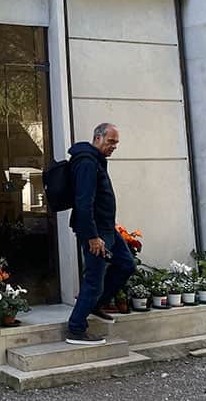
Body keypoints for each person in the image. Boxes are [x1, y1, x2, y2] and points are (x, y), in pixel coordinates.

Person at [65, 122, 136, 345]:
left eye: (116, 142)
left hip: (108, 230)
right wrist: (92, 236)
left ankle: (96, 304)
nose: (114, 146)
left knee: (126, 265)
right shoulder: (86, 163)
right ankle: (76, 329)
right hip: (96, 232)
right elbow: (83, 203)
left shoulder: (96, 161)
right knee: (94, 279)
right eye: (111, 141)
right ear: (98, 138)